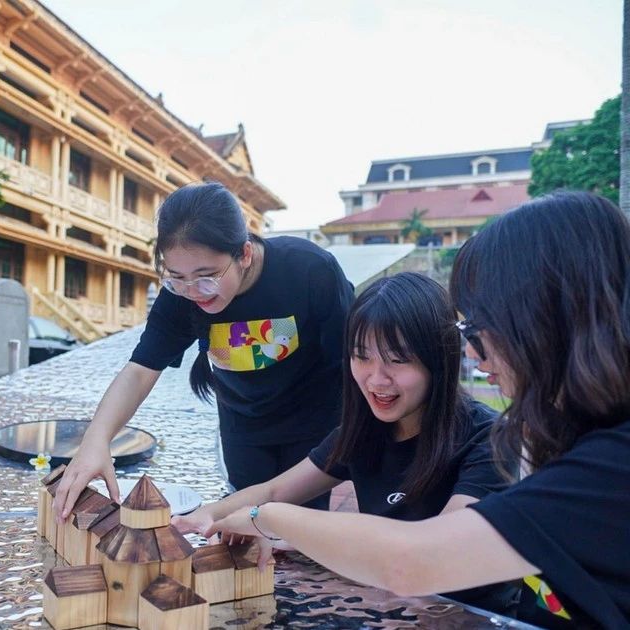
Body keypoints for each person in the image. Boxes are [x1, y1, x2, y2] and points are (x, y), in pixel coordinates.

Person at [207, 191, 630, 629]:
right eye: (361, 356)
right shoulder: (576, 442)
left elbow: (413, 562)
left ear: (546, 323)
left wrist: (269, 519)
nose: (478, 356)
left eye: (480, 330)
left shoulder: (608, 463)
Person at [174, 272, 517, 613]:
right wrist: (205, 517)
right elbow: (275, 491)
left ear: (439, 359)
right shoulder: (365, 430)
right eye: (361, 356)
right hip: (391, 606)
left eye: (397, 360)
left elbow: (433, 556)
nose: (376, 379)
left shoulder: (487, 438)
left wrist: (271, 520)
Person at [53, 182, 354, 520]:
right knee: (246, 525)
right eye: (177, 277)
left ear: (244, 253)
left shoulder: (309, 271)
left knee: (298, 528)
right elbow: (140, 370)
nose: (194, 291)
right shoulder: (181, 295)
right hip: (244, 427)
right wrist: (96, 440)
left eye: (207, 276)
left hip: (313, 424)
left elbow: (351, 363)